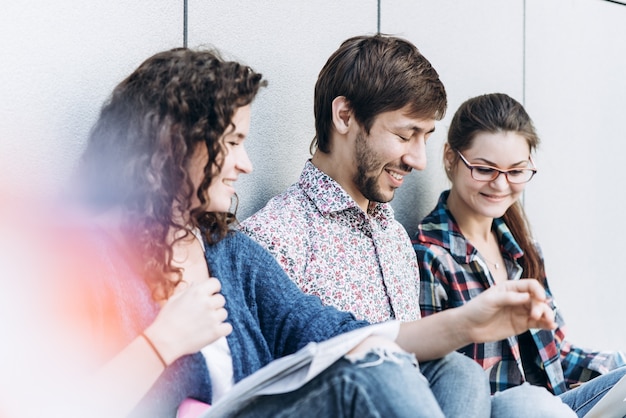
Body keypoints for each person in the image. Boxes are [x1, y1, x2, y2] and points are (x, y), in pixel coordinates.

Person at [34, 47, 563, 418]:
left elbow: (335, 332)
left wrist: (468, 322)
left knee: (448, 371)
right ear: (174, 144)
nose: (245, 163)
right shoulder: (95, 259)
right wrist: (160, 343)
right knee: (375, 374)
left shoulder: (230, 254)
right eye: (233, 141)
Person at [240, 34, 574, 417]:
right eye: (404, 135)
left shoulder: (394, 237)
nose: (419, 160)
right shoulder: (276, 237)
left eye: (425, 138)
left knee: (518, 399)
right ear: (344, 116)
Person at [413, 92, 626, 417]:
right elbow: (438, 378)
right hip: (500, 409)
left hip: (556, 407)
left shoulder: (522, 249)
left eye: (516, 171)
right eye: (484, 169)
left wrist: (618, 368)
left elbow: (559, 355)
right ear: (450, 158)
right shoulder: (430, 255)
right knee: (530, 402)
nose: (500, 185)